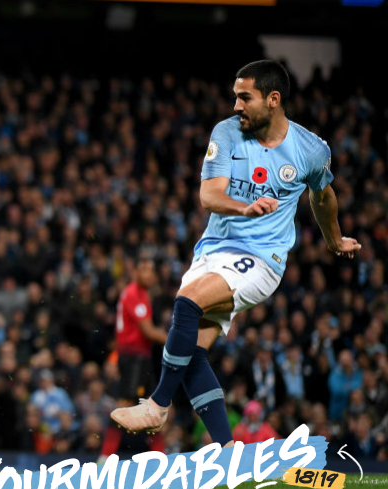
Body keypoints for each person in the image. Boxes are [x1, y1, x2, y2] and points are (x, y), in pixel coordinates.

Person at [111, 61, 360, 446]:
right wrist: (241, 207)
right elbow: (208, 194)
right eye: (235, 97)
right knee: (191, 351)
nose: (236, 106)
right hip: (212, 251)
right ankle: (230, 451)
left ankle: (157, 407)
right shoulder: (226, 133)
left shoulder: (311, 149)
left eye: (245, 97)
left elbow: (323, 196)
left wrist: (334, 240)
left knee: (187, 303)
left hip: (262, 260)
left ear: (273, 100)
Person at [115, 258, 168, 401]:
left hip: (140, 355)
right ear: (135, 272)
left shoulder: (141, 293)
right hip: (133, 355)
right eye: (144, 270)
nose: (149, 274)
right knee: (128, 400)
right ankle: (116, 425)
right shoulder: (134, 294)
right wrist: (175, 341)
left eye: (151, 270)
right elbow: (148, 331)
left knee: (147, 400)